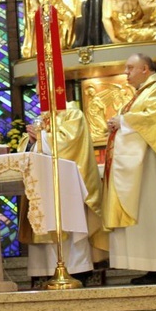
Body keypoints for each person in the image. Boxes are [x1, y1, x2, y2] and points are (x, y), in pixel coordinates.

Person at [103, 53, 156, 284]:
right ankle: (154, 267)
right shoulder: (144, 92)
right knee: (147, 216)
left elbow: (155, 119)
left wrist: (124, 122)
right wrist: (119, 123)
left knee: (155, 214)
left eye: (130, 68)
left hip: (153, 165)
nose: (126, 73)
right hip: (141, 164)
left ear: (146, 69)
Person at [17, 103, 105, 286]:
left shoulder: (72, 113)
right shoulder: (44, 116)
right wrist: (32, 141)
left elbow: (69, 143)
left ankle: (76, 270)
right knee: (43, 220)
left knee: (68, 223)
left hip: (66, 182)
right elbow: (28, 146)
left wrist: (41, 137)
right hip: (42, 180)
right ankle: (48, 271)